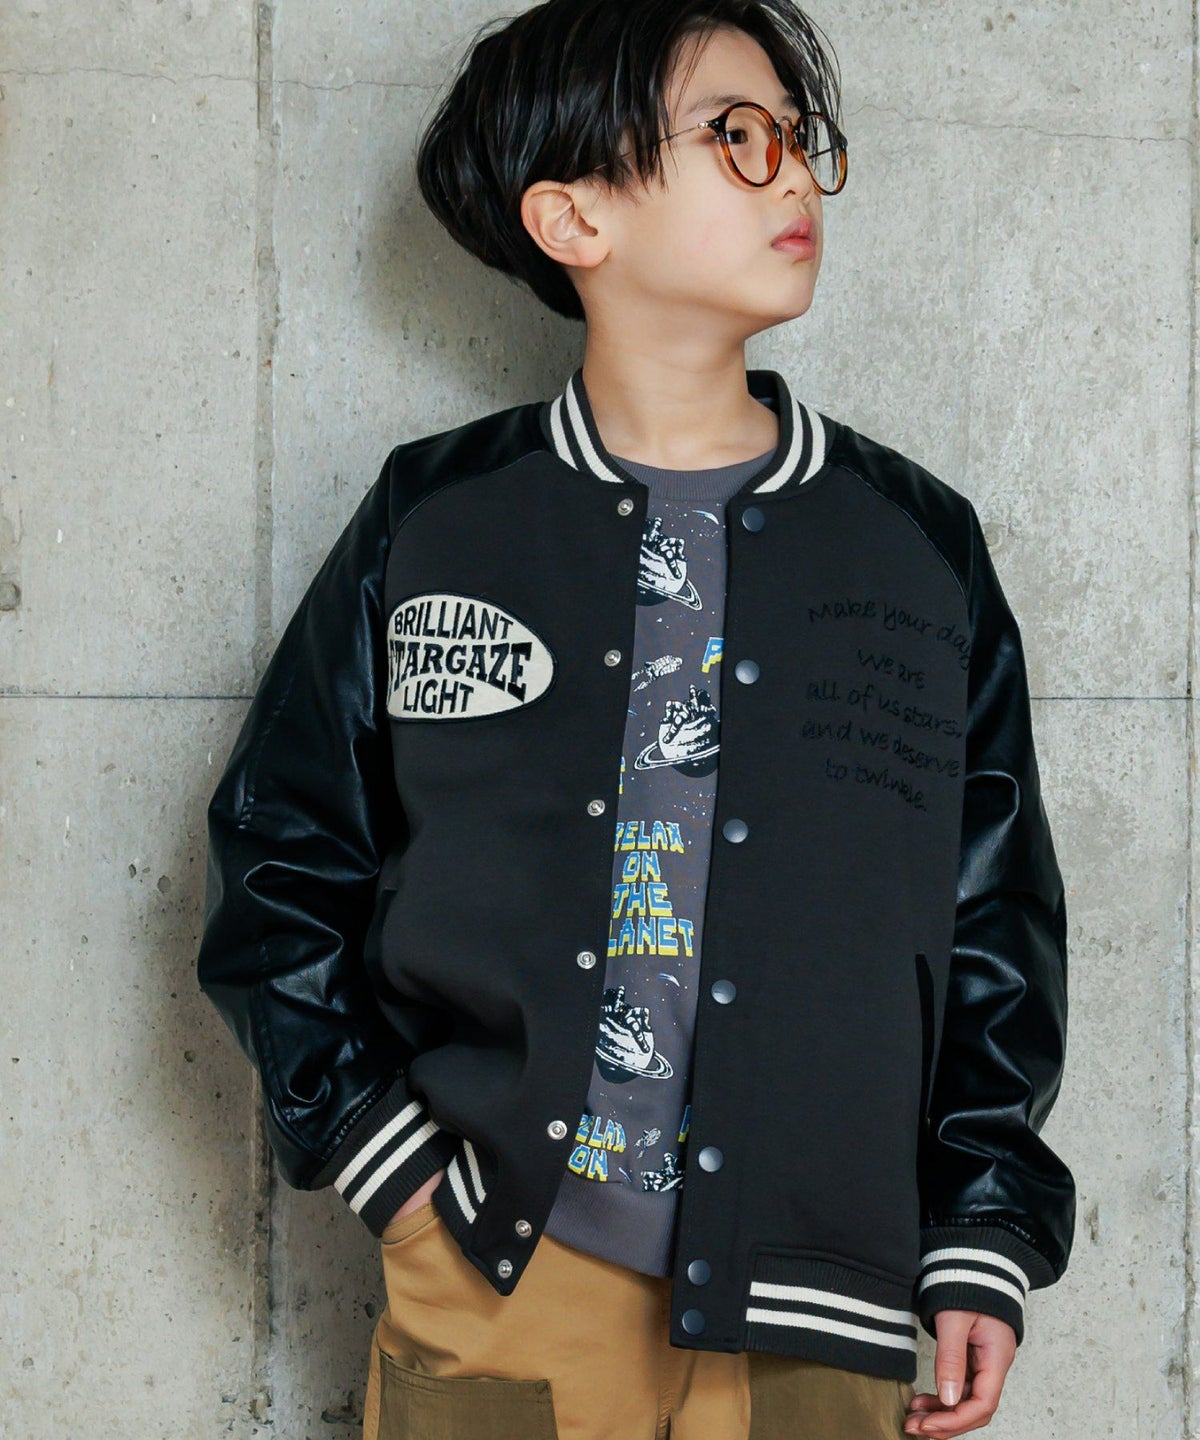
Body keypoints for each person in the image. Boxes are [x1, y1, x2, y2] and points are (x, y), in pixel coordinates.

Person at [196, 2, 1075, 1437]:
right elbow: (278, 861)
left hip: (822, 1292)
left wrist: (984, 1227)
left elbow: (995, 918)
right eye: (734, 133)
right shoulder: (437, 520)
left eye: (796, 135)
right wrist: (388, 1164)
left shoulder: (915, 545)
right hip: (501, 1270)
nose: (791, 172)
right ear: (574, 216)